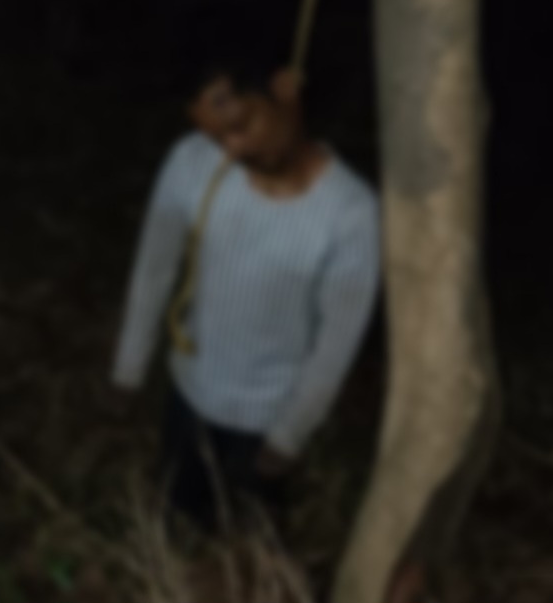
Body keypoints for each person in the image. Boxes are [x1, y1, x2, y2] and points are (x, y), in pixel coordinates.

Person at [109, 56, 381, 539]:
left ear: (284, 89)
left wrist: (290, 435)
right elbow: (154, 268)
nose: (232, 148)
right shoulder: (192, 162)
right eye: (218, 138)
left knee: (250, 542)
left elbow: (338, 340)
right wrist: (129, 369)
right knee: (178, 525)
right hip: (189, 392)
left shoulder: (352, 214)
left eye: (241, 125)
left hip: (268, 417)